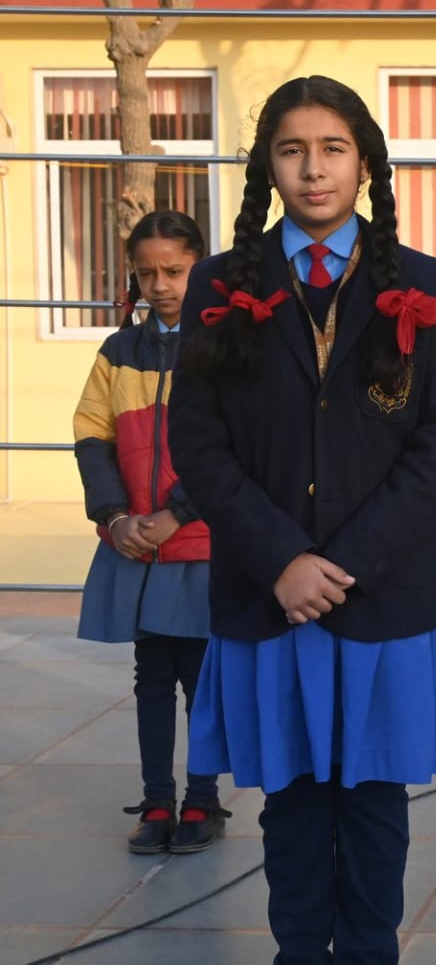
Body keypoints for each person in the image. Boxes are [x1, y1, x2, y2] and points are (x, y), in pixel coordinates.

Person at [169, 74, 436, 963]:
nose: (313, 169)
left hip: (380, 596)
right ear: (268, 166)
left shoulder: (429, 284)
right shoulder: (219, 284)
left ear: (364, 163)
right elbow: (200, 444)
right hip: (270, 596)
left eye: (333, 149)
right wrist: (282, 561)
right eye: (292, 150)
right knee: (294, 801)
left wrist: (345, 563)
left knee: (375, 801)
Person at [73, 209, 228, 855]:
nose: (160, 285)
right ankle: (158, 801)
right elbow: (92, 435)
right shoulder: (118, 353)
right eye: (146, 274)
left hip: (199, 543)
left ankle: (204, 801)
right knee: (151, 677)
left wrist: (178, 513)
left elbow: (237, 443)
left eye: (174, 271)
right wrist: (115, 516)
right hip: (135, 543)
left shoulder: (226, 347)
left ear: (201, 268)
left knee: (201, 678)